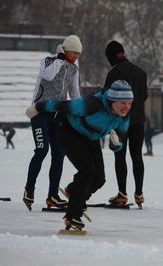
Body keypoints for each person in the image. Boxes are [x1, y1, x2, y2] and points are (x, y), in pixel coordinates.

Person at [25, 80, 133, 229]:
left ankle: (74, 192)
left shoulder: (124, 116)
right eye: (123, 103)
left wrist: (115, 144)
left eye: (129, 103)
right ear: (112, 100)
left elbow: (119, 141)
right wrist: (38, 107)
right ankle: (72, 216)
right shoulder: (92, 105)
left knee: (99, 179)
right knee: (87, 170)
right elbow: (62, 105)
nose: (126, 107)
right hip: (69, 132)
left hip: (91, 137)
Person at [23, 35, 82, 211]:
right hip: (40, 113)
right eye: (74, 53)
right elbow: (48, 76)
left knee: (59, 154)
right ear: (65, 50)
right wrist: (60, 60)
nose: (76, 57)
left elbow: (75, 94)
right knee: (42, 150)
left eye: (78, 54)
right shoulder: (47, 61)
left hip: (58, 116)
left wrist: (79, 112)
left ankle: (52, 196)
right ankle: (29, 189)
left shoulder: (74, 69)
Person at [103, 40, 148, 208]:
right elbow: (143, 96)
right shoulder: (141, 73)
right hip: (138, 120)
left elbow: (106, 99)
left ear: (111, 57)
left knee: (119, 156)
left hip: (119, 121)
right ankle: (139, 194)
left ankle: (122, 194)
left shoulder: (113, 73)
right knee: (137, 156)